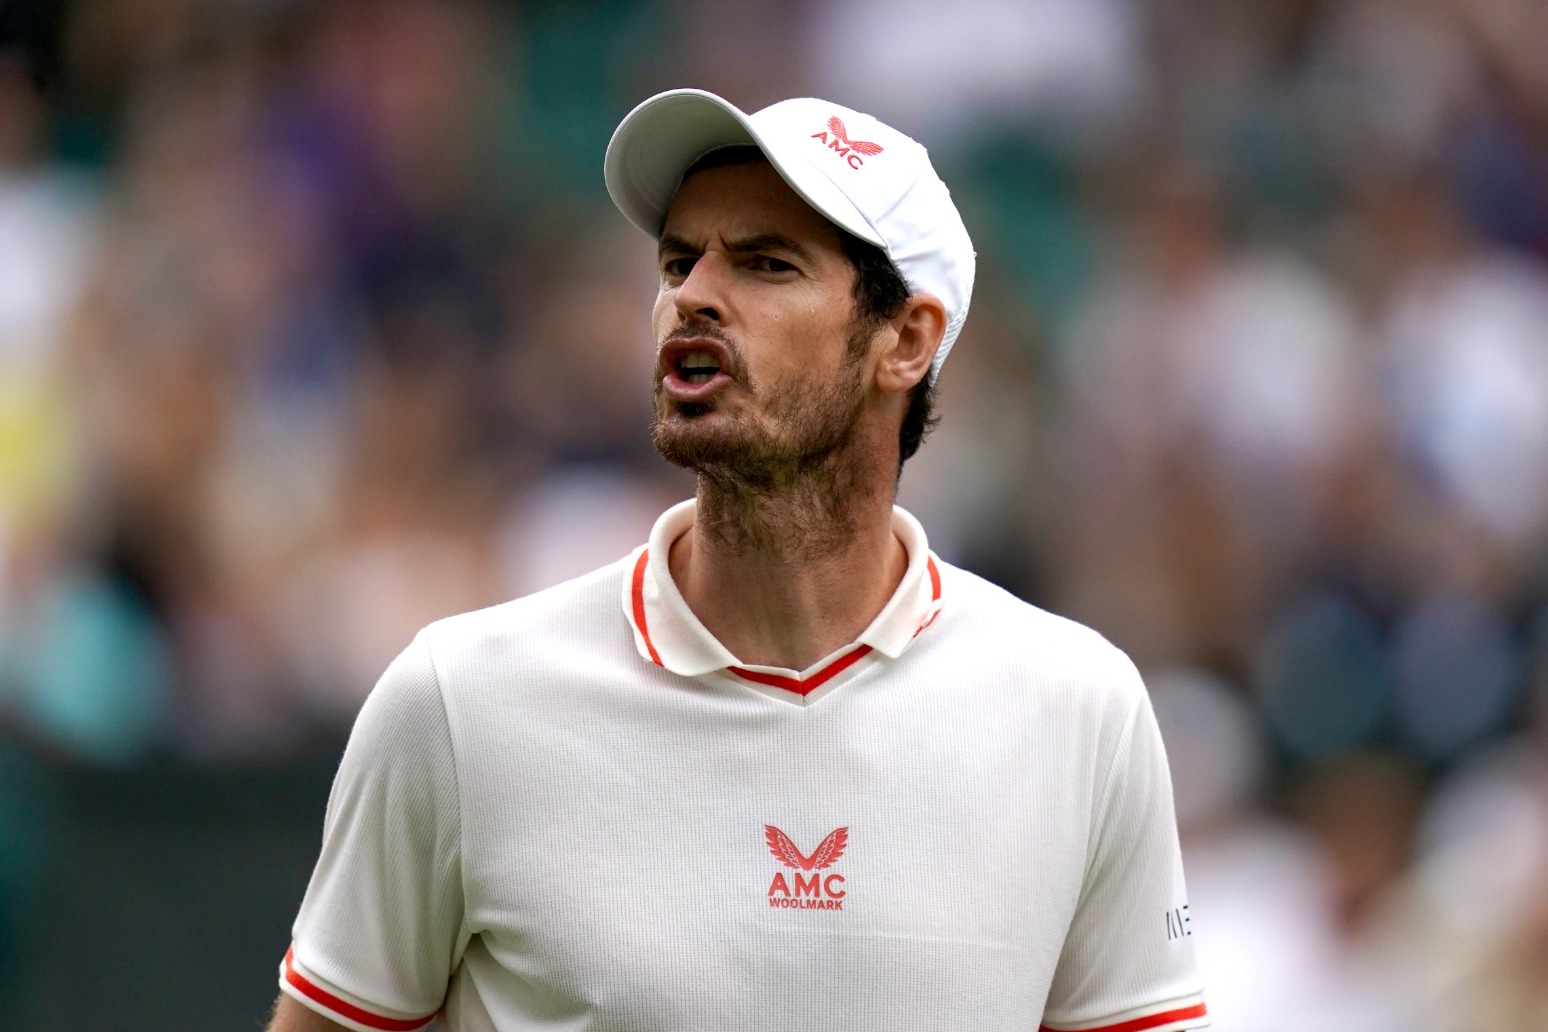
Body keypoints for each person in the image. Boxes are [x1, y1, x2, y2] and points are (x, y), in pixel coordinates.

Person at [266, 89, 1209, 1032]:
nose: (692, 296)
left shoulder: (1082, 710)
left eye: (766, 263)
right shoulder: (455, 702)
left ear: (906, 341)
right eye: (680, 261)